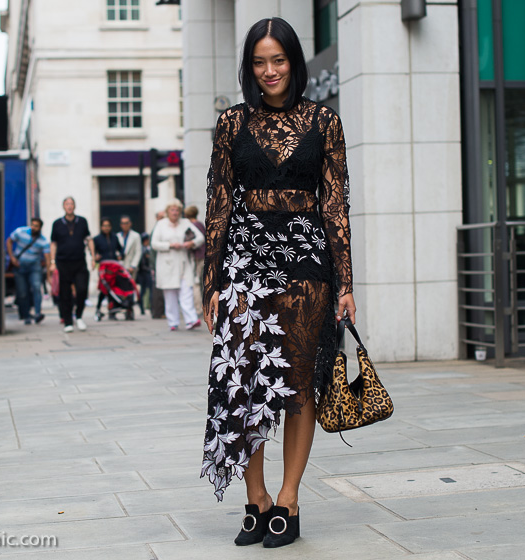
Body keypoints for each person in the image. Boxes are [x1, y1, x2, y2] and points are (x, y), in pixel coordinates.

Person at [201, 18, 355, 548]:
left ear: (295, 61)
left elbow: (335, 207)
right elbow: (219, 203)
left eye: (279, 60)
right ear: (249, 67)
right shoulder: (230, 124)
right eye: (259, 62)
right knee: (243, 382)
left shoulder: (324, 122)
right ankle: (256, 497)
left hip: (308, 265)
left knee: (296, 384)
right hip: (245, 263)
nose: (269, 71)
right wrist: (211, 280)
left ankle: (287, 500)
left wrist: (346, 284)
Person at [151, 199, 205, 331]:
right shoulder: (161, 224)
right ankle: (173, 322)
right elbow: (154, 244)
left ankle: (191, 320)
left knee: (186, 291)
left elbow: (200, 238)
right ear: (168, 212)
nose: (175, 213)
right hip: (167, 264)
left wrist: (191, 243)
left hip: (183, 263)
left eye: (177, 210)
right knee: (170, 295)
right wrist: (169, 245)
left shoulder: (185, 223)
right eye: (172, 210)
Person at [50, 197, 94, 333]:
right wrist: (52, 262)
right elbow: (53, 243)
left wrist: (93, 257)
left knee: (82, 289)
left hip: (79, 261)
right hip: (63, 262)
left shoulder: (82, 221)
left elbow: (88, 239)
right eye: (67, 204)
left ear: (74, 206)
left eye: (71, 204)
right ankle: (68, 321)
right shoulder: (57, 223)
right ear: (63, 206)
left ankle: (79, 316)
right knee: (65, 293)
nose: (69, 206)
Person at [6, 217, 51, 325]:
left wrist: (49, 274)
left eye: (36, 226)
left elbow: (47, 258)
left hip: (34, 267)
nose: (33, 227)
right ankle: (26, 315)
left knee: (36, 287)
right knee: (22, 292)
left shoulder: (43, 241)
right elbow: (9, 241)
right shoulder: (20, 232)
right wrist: (12, 257)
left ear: (40, 228)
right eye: (32, 225)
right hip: (20, 266)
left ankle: (37, 313)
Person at [184, 205, 206, 315]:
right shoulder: (200, 224)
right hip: (203, 256)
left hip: (197, 257)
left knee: (196, 283)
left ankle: (198, 308)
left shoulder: (192, 226)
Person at [136, 232, 153, 314]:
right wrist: (150, 269)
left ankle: (143, 308)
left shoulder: (145, 249)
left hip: (143, 273)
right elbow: (143, 264)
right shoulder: (144, 250)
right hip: (144, 273)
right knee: (146, 291)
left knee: (144, 292)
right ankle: (144, 308)